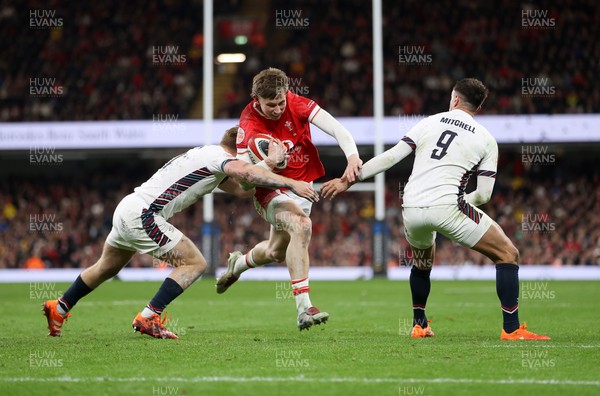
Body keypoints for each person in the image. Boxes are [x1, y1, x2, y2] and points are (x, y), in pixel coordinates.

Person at [322, 78, 550, 341]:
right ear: (478, 106)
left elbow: (391, 157)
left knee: (422, 262)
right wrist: (456, 208)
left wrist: (346, 180)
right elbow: (484, 195)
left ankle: (419, 325)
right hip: (448, 205)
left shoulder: (429, 121)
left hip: (411, 207)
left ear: (454, 99)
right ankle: (511, 329)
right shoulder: (487, 139)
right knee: (508, 254)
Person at [42, 127, 319, 339]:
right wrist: (272, 165)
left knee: (105, 267)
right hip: (144, 215)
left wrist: (269, 174)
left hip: (128, 207)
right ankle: (149, 316)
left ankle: (60, 307)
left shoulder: (207, 156)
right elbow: (246, 175)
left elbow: (240, 188)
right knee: (195, 263)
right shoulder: (220, 157)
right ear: (241, 149)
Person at [215, 67, 362, 330]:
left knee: (275, 252)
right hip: (269, 189)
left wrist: (352, 157)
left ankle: (238, 264)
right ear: (256, 99)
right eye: (270, 104)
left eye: (281, 102)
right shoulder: (247, 125)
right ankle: (304, 309)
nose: (277, 108)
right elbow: (245, 180)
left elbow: (339, 130)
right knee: (302, 225)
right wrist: (270, 163)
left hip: (302, 187)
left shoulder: (298, 104)